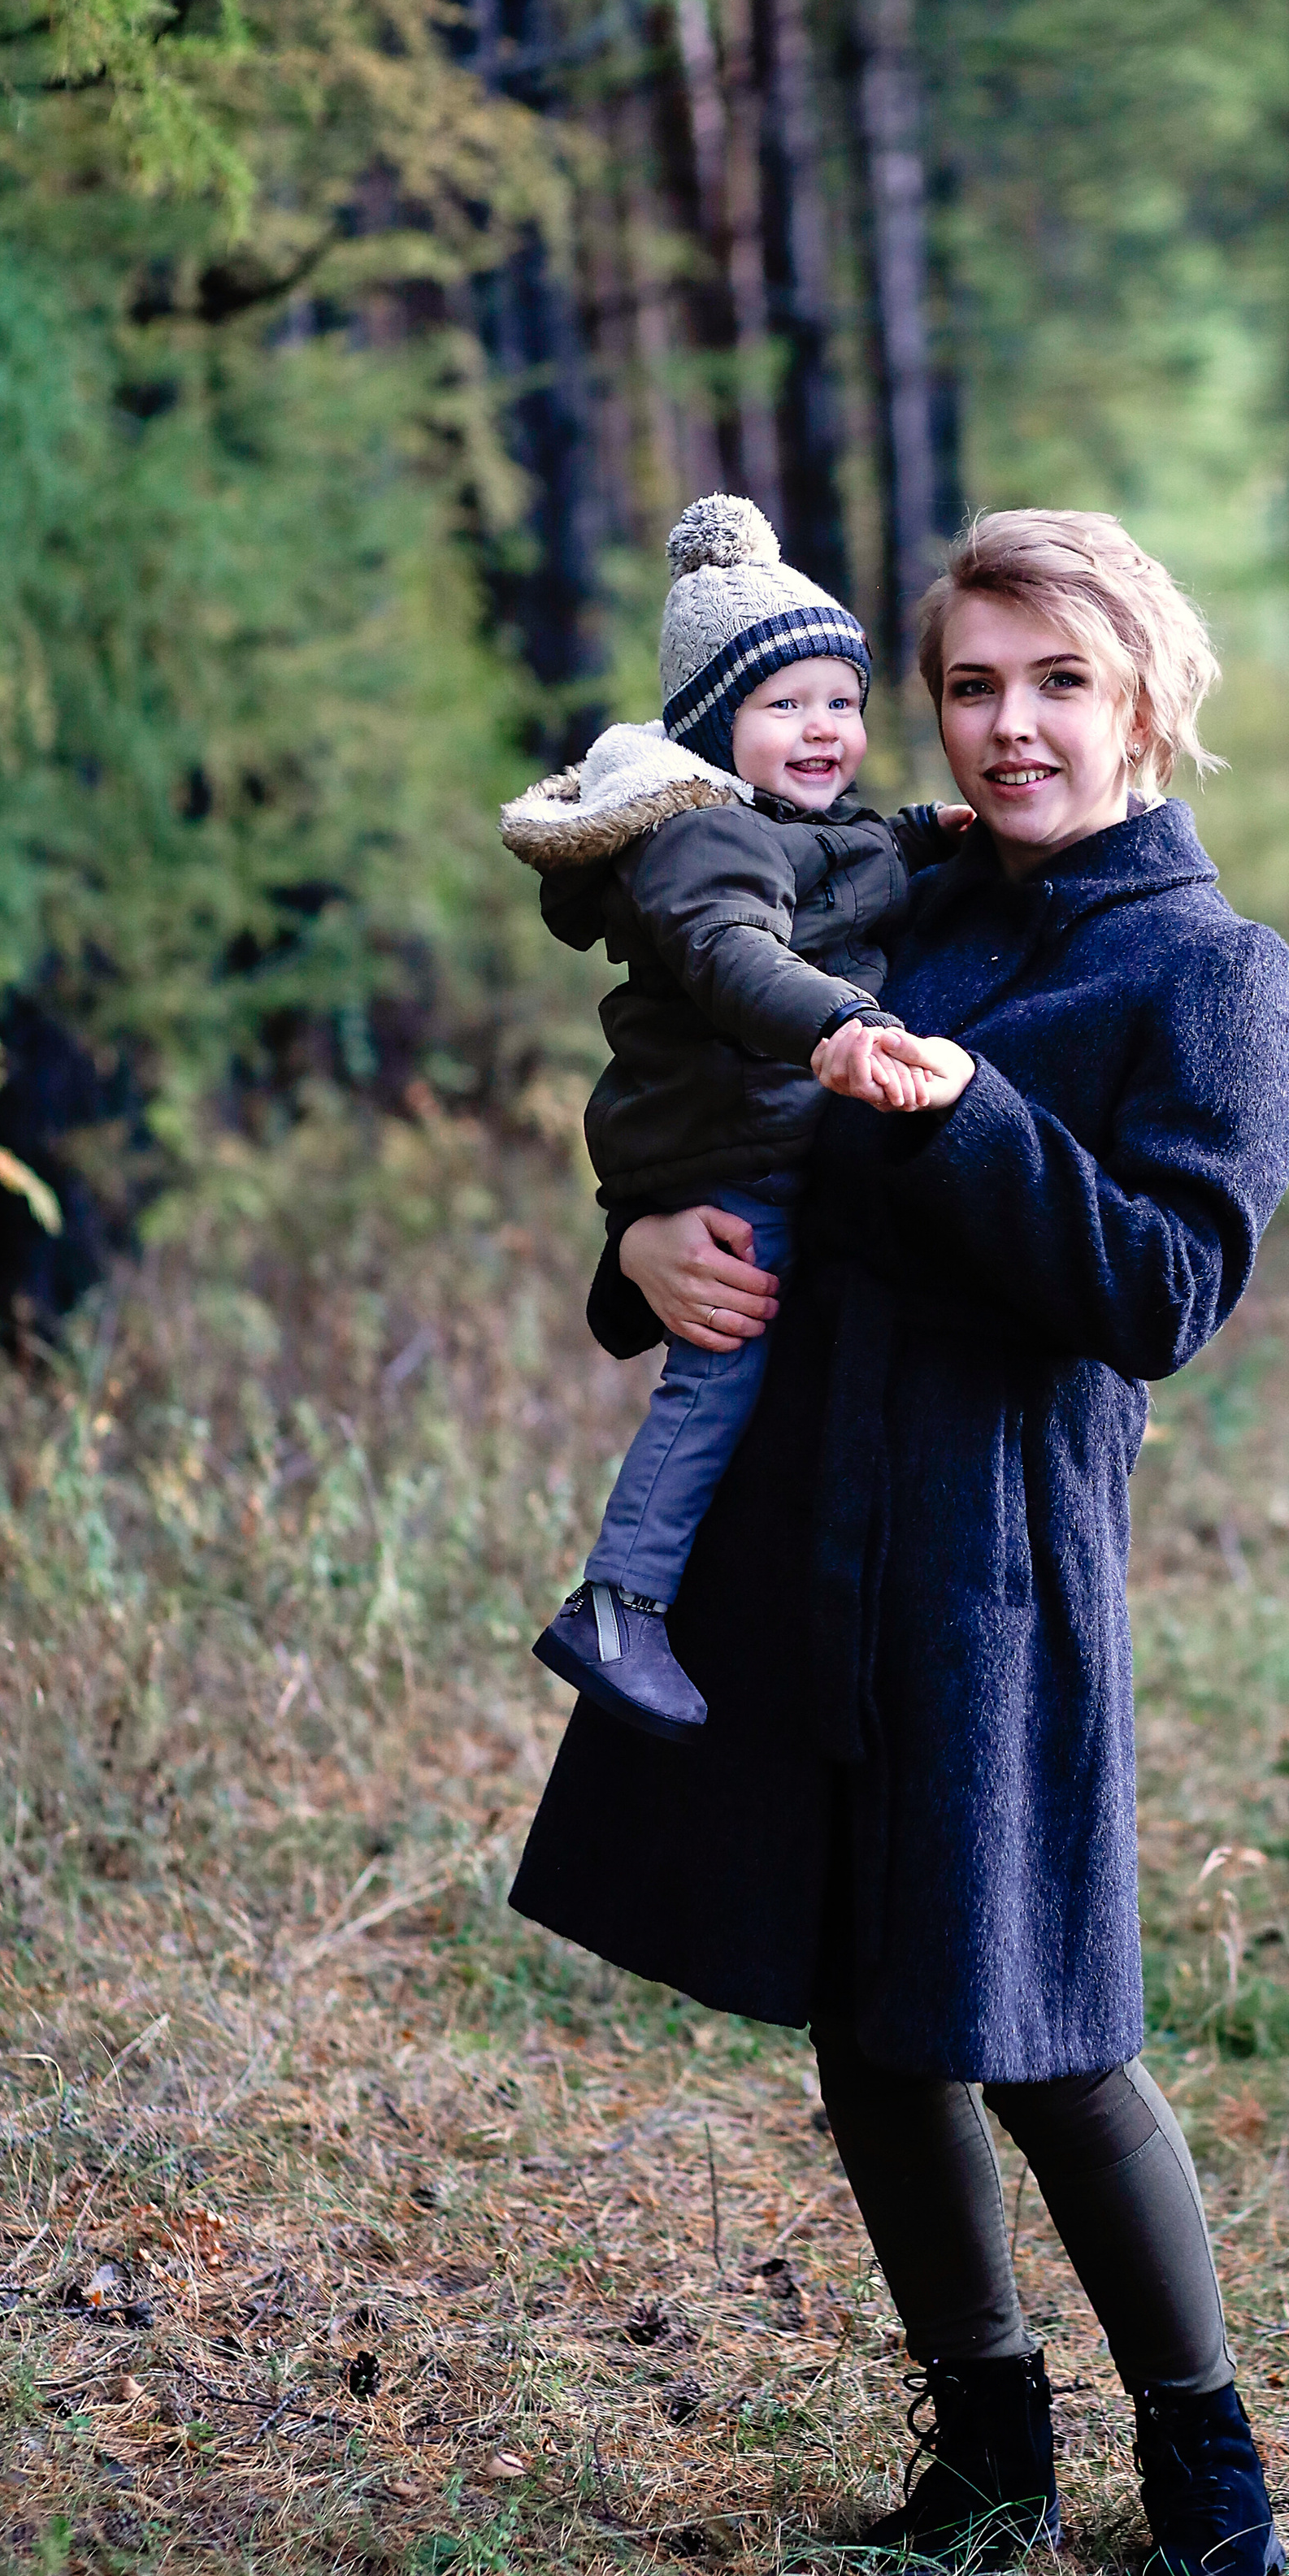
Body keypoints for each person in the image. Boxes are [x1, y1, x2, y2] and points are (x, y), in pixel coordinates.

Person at [509, 509, 1289, 2576]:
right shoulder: (903, 888)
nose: (1016, 724)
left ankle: (1207, 2451)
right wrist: (643, 1246)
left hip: (996, 1555)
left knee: (1039, 2022)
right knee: (869, 2013)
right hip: (803, 1529)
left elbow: (1162, 1284)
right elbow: (714, 1092)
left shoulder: (1208, 971)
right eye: (978, 684)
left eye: (1062, 680)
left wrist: (973, 1116)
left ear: (1146, 692)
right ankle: (988, 2451)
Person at [501, 494, 965, 1741]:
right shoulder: (706, 846)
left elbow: (848, 860)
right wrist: (835, 1027)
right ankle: (620, 1600)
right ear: (715, 726)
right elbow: (731, 955)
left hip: (749, 1136)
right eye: (786, 706)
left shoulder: (777, 825)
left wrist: (926, 836)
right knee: (720, 1371)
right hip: (734, 1150)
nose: (825, 730)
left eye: (841, 703)